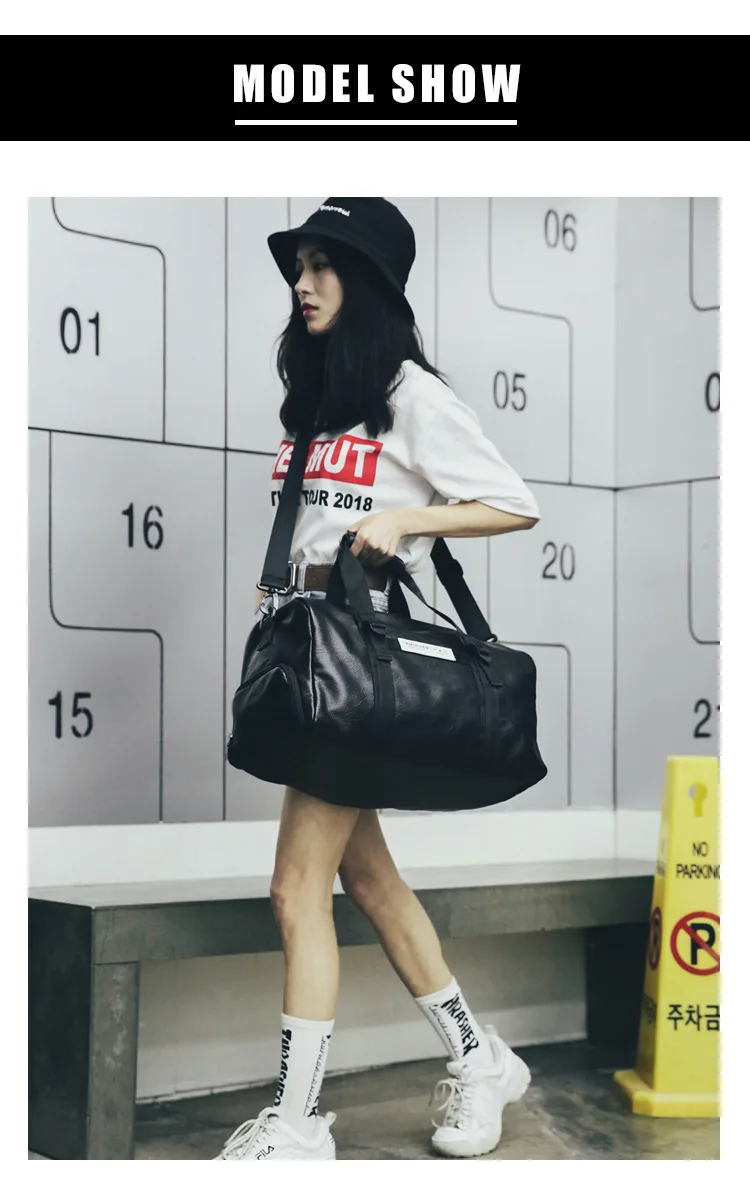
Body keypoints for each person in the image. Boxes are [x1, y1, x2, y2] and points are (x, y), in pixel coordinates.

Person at [215, 198, 541, 1162]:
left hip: (358, 660)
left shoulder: (411, 395)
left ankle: (297, 1124)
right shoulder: (326, 397)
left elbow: (513, 503)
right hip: (310, 651)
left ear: (369, 284)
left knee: (294, 889)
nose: (303, 283)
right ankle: (481, 1059)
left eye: (324, 266)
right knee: (368, 878)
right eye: (300, 266)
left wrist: (407, 521)